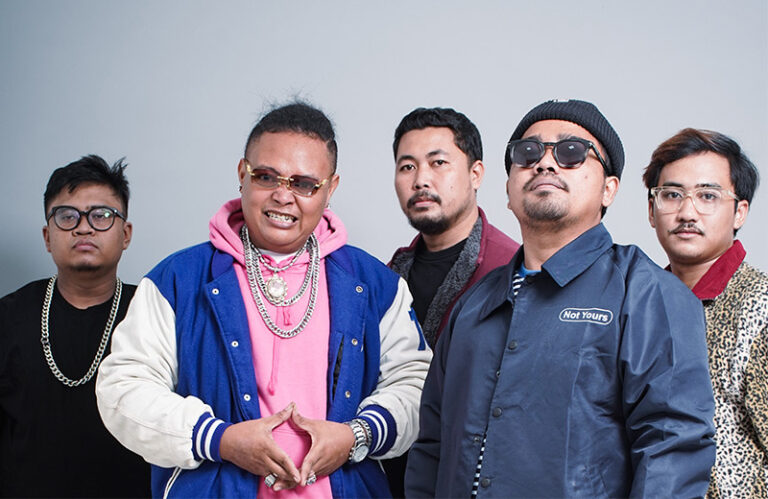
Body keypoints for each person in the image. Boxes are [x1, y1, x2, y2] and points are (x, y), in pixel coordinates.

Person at [96, 102, 431, 498]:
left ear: (330, 189)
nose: (283, 196)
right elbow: (123, 389)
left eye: (304, 184)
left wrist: (356, 435)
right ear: (243, 174)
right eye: (267, 177)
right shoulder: (176, 281)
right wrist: (217, 439)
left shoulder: (376, 285)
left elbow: (417, 385)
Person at [405, 99, 717, 498]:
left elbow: (673, 448)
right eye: (527, 153)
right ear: (508, 189)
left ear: (609, 189)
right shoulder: (473, 306)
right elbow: (432, 447)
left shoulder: (647, 294)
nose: (545, 163)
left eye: (571, 152)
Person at [385, 107, 519, 496]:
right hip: (388, 476)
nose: (421, 180)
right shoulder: (386, 276)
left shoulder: (511, 270)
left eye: (438, 163)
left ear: (476, 173)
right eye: (407, 167)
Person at [0, 155, 149, 497]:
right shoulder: (9, 316)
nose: (84, 228)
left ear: (125, 234)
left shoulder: (153, 313)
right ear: (47, 236)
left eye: (102, 215)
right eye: (67, 216)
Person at [643, 128, 767, 497]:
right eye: (671, 195)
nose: (686, 212)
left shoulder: (758, 305)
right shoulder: (641, 306)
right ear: (651, 211)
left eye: (708, 196)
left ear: (740, 211)